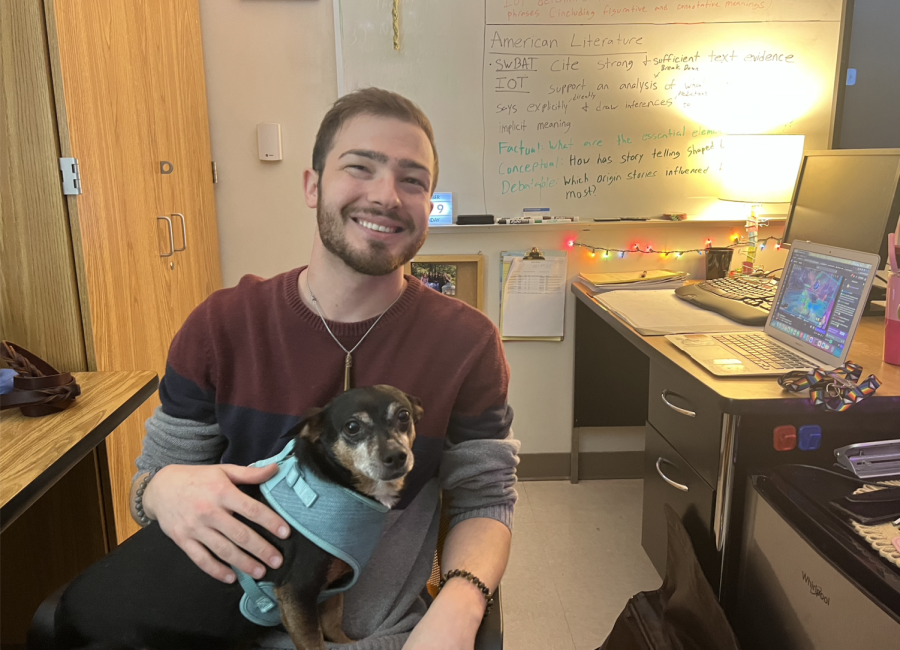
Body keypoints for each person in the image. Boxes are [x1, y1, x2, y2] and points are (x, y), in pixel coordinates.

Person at [57, 87, 519, 650]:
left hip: (378, 635)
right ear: (312, 185)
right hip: (214, 624)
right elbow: (152, 484)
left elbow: (484, 497)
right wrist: (160, 491)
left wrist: (461, 606)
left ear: (429, 204)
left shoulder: (466, 341)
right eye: (360, 167)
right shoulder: (222, 324)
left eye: (412, 179)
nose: (386, 195)